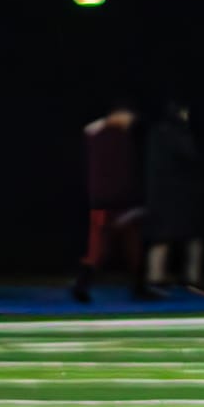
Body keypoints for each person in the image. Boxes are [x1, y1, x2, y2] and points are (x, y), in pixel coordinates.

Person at [72, 99, 143, 303]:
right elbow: (121, 171)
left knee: (117, 246)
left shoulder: (97, 136)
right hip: (114, 200)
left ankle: (138, 286)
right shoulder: (114, 137)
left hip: (104, 199)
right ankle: (82, 285)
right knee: (119, 246)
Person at [141, 97, 204, 297]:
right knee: (194, 237)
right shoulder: (178, 134)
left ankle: (155, 278)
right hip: (181, 195)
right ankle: (192, 279)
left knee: (161, 238)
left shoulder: (155, 133)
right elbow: (192, 158)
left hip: (159, 195)